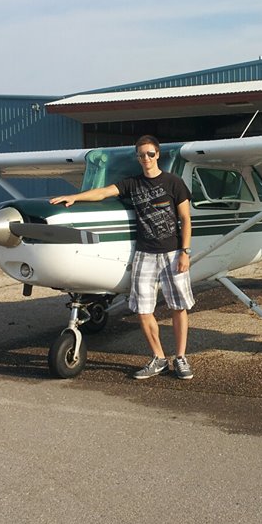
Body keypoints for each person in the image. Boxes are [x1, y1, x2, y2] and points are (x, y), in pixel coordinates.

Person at [49, 135, 195, 380]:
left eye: (150, 154)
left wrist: (185, 252)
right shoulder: (132, 183)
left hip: (172, 253)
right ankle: (159, 358)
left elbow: (186, 219)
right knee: (143, 310)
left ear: (157, 155)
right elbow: (103, 192)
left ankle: (180, 357)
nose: (146, 158)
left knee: (178, 307)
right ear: (137, 157)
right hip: (145, 254)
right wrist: (75, 197)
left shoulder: (174, 182)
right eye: (142, 155)